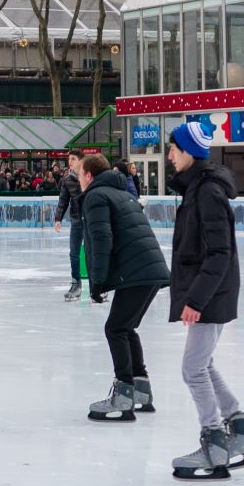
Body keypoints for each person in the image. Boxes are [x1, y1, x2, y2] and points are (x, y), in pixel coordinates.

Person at [165, 123, 244, 479]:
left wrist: (195, 299)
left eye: (172, 149)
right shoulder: (198, 188)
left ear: (188, 151)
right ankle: (241, 433)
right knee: (204, 364)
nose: (169, 156)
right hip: (213, 291)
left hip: (211, 293)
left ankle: (215, 444)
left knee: (193, 369)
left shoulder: (207, 192)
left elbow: (218, 252)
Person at [80, 150, 169, 422]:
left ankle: (124, 394)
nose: (77, 178)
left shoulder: (95, 196)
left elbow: (101, 238)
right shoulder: (123, 193)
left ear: (88, 175)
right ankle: (140, 391)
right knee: (126, 328)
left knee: (116, 328)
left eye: (78, 173)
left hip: (139, 271)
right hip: (149, 269)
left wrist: (97, 282)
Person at [54, 153, 86, 300]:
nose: (70, 162)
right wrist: (58, 219)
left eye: (73, 159)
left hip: (91, 219)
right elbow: (63, 200)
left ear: (81, 161)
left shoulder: (89, 176)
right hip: (76, 220)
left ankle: (99, 285)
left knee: (93, 252)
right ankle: (76, 283)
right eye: (69, 159)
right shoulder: (67, 180)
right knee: (74, 253)